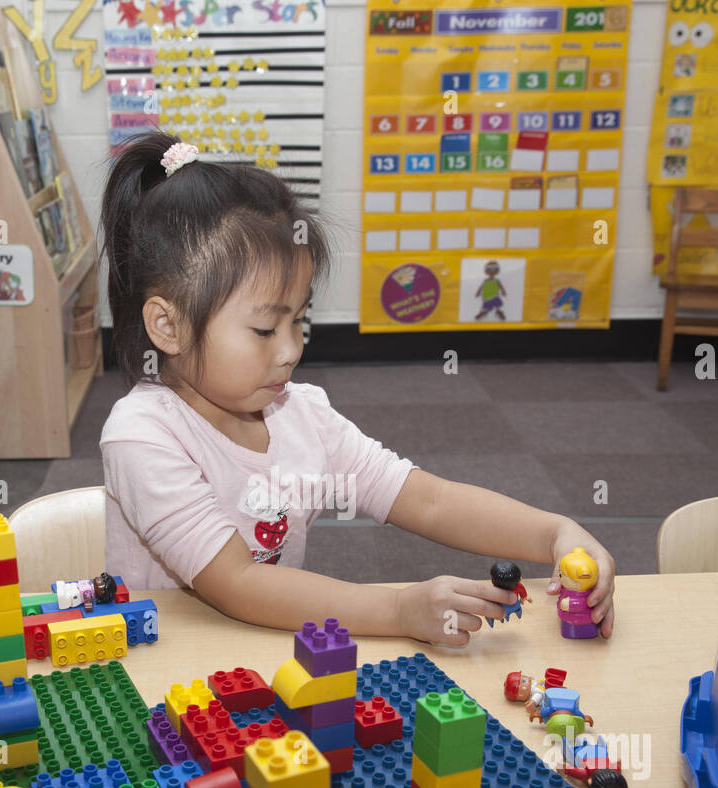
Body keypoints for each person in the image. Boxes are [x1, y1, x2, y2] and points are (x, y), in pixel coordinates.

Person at [97, 132, 616, 645]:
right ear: (168, 326)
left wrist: (554, 534)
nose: (290, 350)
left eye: (298, 321)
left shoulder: (299, 413)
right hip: (161, 670)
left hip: (266, 652)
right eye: (264, 330)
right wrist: (399, 609)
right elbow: (238, 582)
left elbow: (428, 500)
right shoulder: (142, 435)